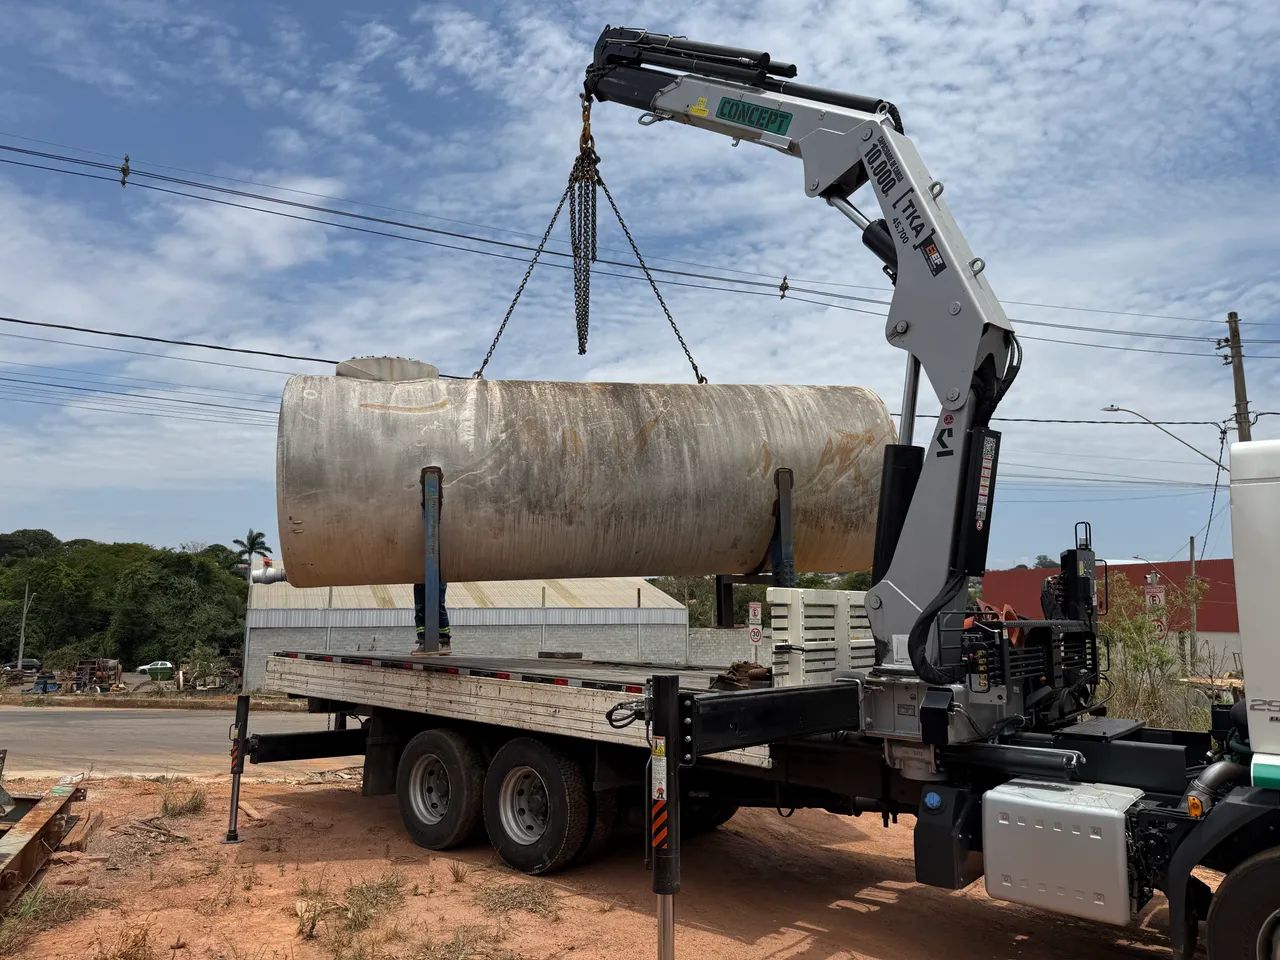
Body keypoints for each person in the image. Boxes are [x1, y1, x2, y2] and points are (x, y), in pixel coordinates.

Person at [413, 580, 452, 655]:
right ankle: (422, 642)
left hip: (438, 578)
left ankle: (445, 642)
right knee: (419, 608)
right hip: (419, 578)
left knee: (439, 606)